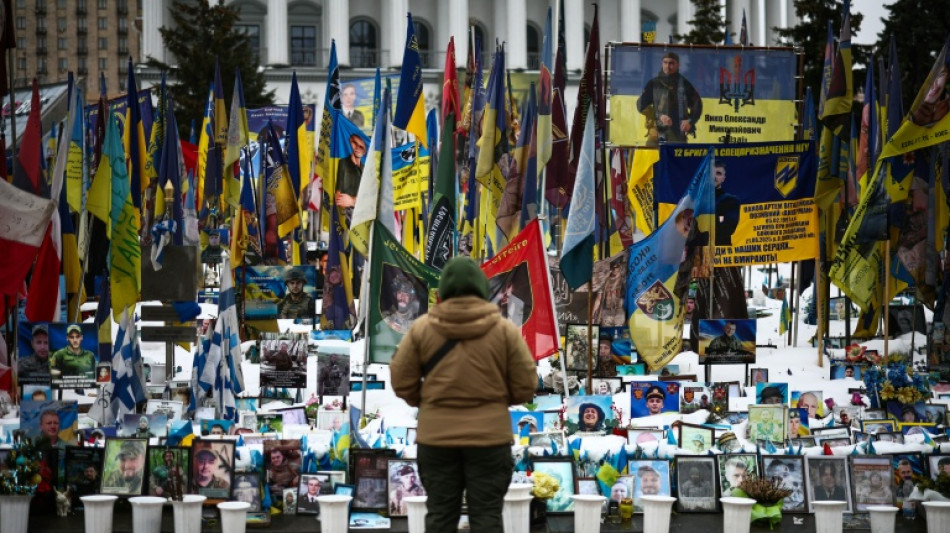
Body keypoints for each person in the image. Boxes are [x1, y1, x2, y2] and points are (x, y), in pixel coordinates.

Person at [391, 257, 537, 533]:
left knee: (440, 517)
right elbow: (526, 385)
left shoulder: (421, 329)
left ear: (441, 294)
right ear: (483, 291)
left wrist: (426, 401)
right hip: (490, 440)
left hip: (436, 440)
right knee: (487, 518)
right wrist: (494, 399)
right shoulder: (504, 331)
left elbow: (401, 378)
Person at [637, 51, 702, 145]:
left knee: (677, 159)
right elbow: (640, 105)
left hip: (677, 134)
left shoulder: (684, 84)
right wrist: (659, 116)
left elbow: (697, 105)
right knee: (651, 158)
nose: (668, 66)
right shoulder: (654, 84)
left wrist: (690, 121)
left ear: (678, 65)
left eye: (671, 63)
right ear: (662, 63)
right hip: (656, 133)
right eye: (665, 62)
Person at [713, 162, 741, 246]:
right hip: (696, 253)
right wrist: (719, 217)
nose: (714, 177)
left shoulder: (731, 200)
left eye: (718, 173)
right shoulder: (694, 199)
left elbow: (728, 229)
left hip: (720, 253)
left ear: (723, 178)